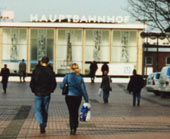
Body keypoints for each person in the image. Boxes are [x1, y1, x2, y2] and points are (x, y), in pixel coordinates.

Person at [60, 63, 89, 135]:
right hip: (78, 96)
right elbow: (83, 89)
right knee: (76, 111)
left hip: (69, 96)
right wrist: (86, 98)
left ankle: (72, 128)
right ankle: (75, 125)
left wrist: (66, 85)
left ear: (71, 68)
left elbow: (61, 85)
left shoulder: (67, 76)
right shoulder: (80, 77)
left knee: (71, 112)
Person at [30, 56, 57, 133]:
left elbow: (32, 82)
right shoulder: (50, 71)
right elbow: (54, 83)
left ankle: (41, 122)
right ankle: (44, 124)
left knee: (38, 109)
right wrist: (51, 90)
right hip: (47, 93)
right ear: (48, 63)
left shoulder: (36, 70)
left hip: (38, 93)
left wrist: (33, 90)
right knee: (45, 109)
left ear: (41, 62)